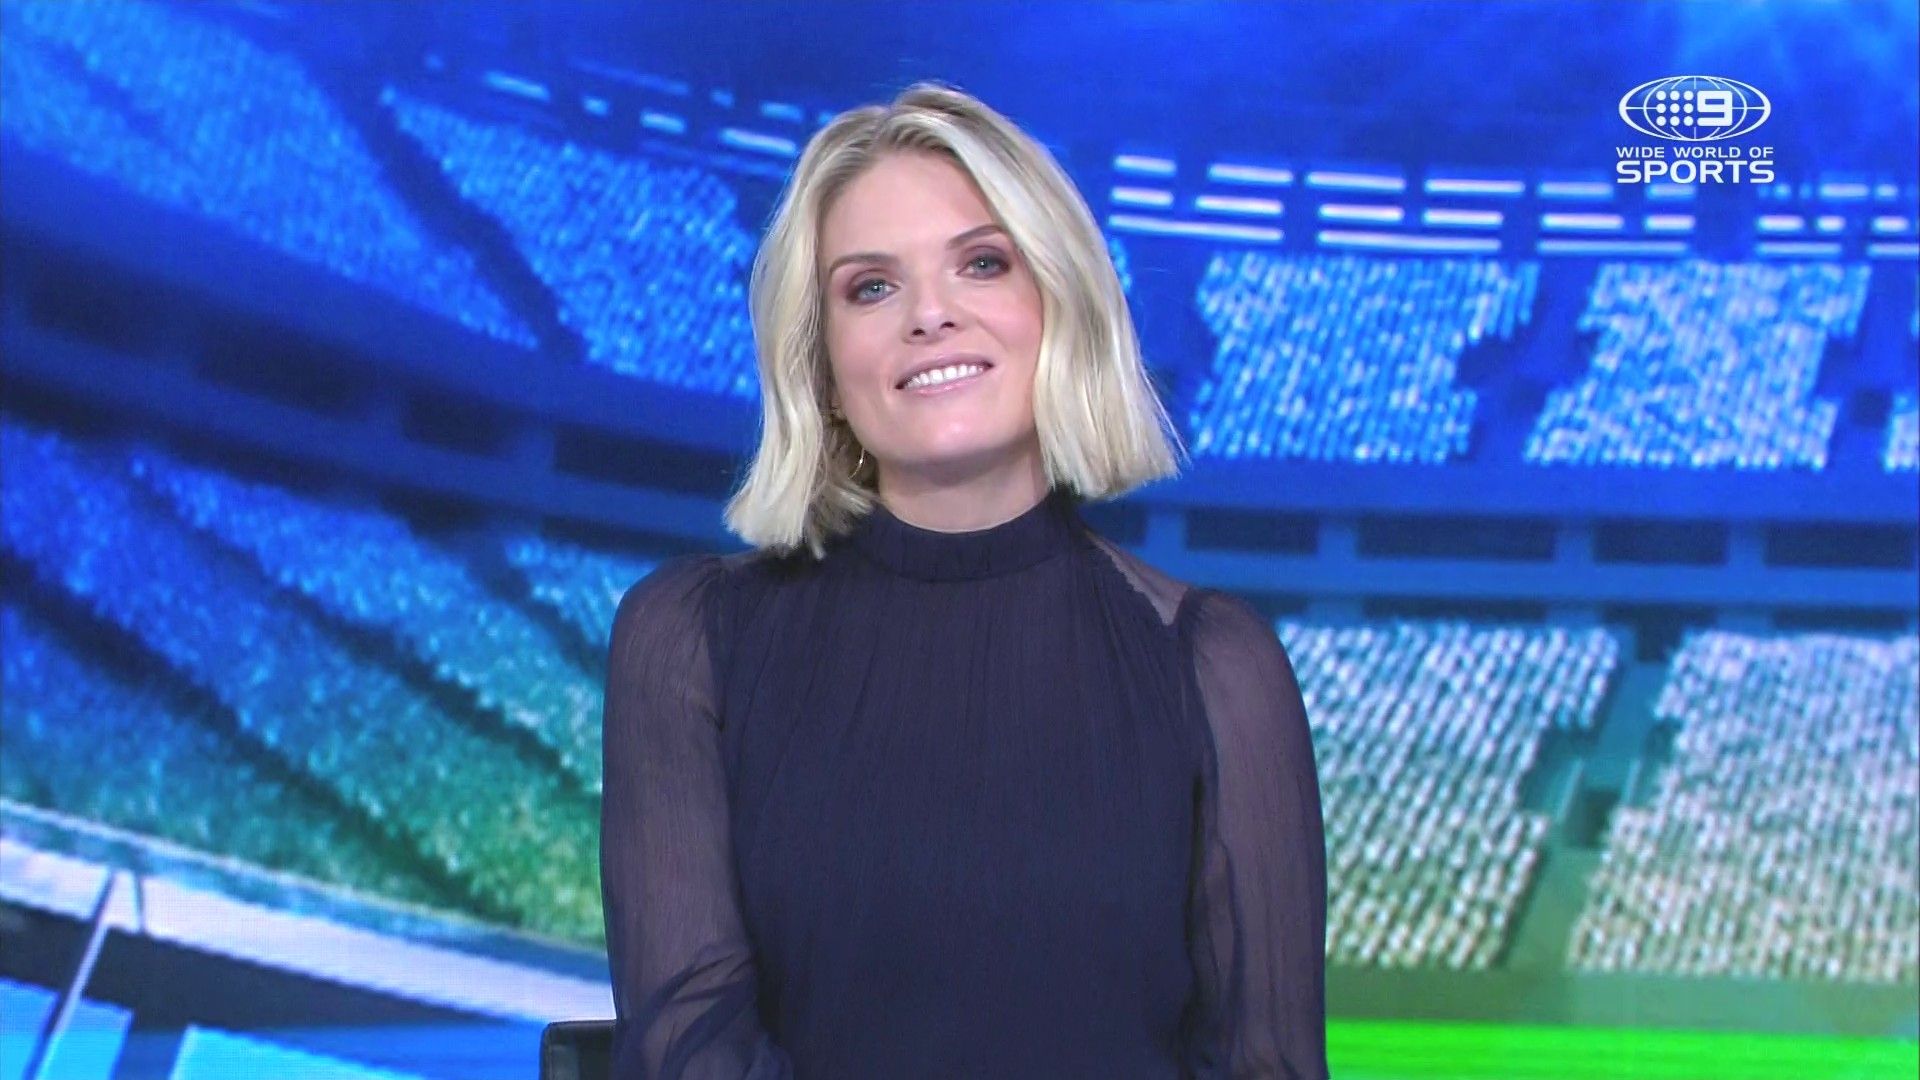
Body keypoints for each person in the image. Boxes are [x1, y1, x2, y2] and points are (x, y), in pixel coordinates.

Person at [600, 80, 1328, 1079]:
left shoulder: (1214, 662)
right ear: (822, 367)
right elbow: (690, 1055)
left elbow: (1265, 1066)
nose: (931, 315)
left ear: (1059, 306)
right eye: (871, 287)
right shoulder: (688, 638)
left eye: (982, 263)